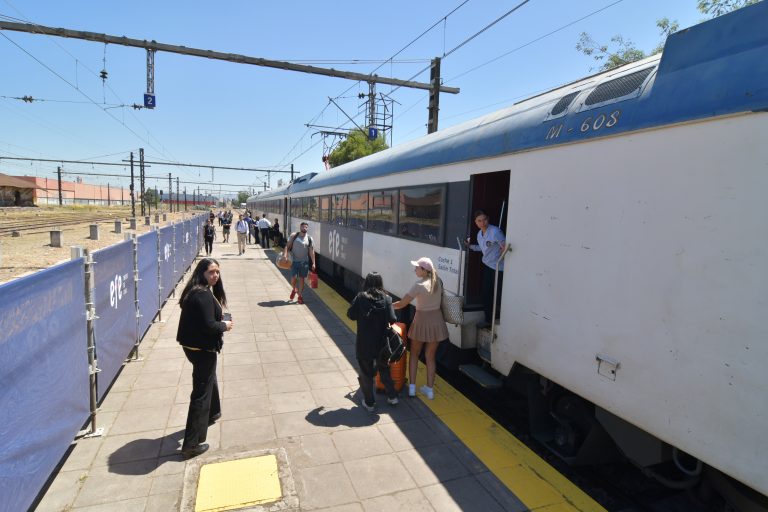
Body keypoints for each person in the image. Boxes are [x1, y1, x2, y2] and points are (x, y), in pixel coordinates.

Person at [176, 258, 233, 459]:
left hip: (191, 346)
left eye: (217, 272)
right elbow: (209, 326)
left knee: (209, 378)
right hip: (202, 349)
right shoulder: (203, 295)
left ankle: (213, 411)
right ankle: (190, 444)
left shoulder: (196, 290)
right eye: (211, 272)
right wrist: (225, 325)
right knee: (200, 392)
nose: (215, 275)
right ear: (202, 273)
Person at [393, 257, 448, 400]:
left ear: (424, 270)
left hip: (421, 322)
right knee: (430, 357)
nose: (415, 270)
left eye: (417, 267)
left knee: (415, 355)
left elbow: (402, 304)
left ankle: (412, 388)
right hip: (436, 322)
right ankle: (429, 390)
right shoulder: (438, 282)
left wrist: (387, 304)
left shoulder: (418, 285)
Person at [347, 272, 399, 411]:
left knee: (366, 373)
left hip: (364, 343)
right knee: (384, 369)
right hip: (382, 344)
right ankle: (392, 397)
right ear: (380, 283)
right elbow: (393, 319)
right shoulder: (387, 299)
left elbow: (350, 315)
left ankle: (369, 403)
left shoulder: (360, 297)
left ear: (367, 283)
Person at [466, 209, 506, 328]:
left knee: (496, 294)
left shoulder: (495, 231)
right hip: (488, 266)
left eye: (484, 220)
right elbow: (484, 249)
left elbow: (505, 245)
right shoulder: (479, 234)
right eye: (479, 221)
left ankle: (497, 318)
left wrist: (501, 254)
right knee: (487, 293)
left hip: (498, 268)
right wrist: (471, 247)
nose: (483, 223)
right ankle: (489, 319)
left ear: (488, 219)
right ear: (476, 222)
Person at [284, 222, 316, 305]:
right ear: (300, 227)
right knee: (293, 278)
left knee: (302, 279)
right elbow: (287, 246)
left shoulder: (309, 238)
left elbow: (311, 251)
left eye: (306, 227)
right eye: (303, 227)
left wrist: (313, 263)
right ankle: (294, 289)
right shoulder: (294, 236)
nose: (304, 228)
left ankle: (300, 296)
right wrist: (285, 255)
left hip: (304, 262)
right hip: (294, 261)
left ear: (307, 228)